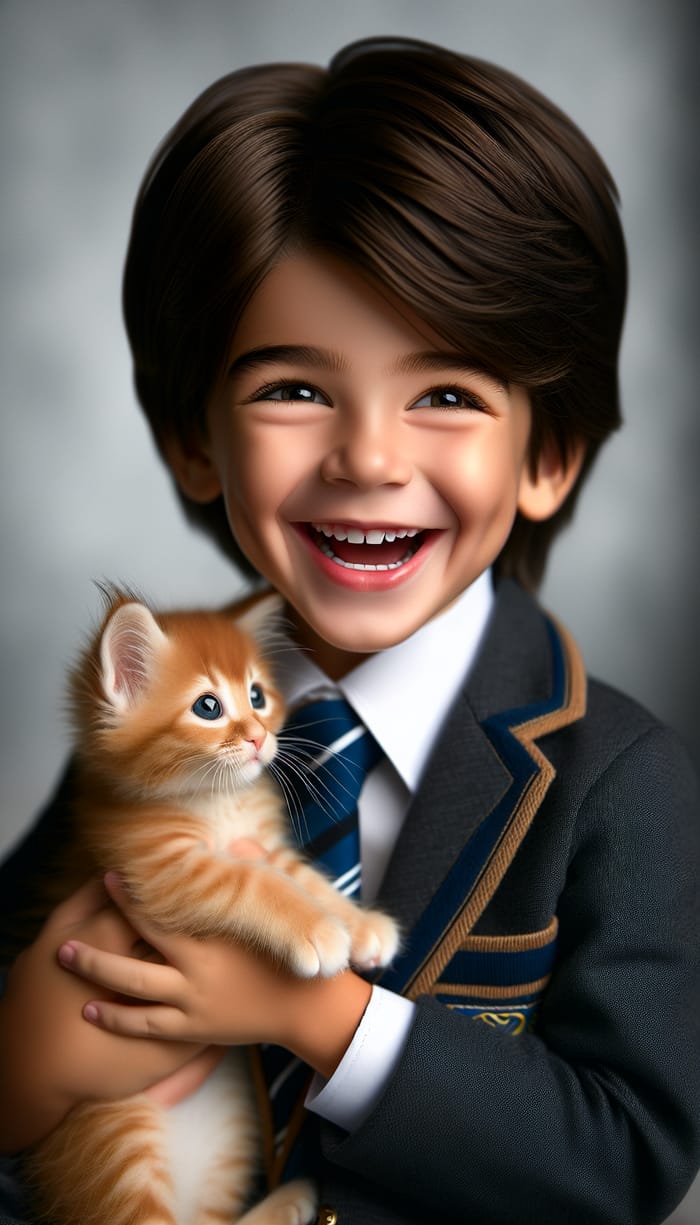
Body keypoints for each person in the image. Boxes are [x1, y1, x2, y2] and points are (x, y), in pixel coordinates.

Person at [0, 35, 698, 1225]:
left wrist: (314, 1013)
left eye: (446, 394)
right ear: (190, 436)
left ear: (547, 456)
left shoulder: (621, 782)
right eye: (294, 388)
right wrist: (23, 1069)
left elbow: (627, 1161)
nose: (368, 458)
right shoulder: (156, 711)